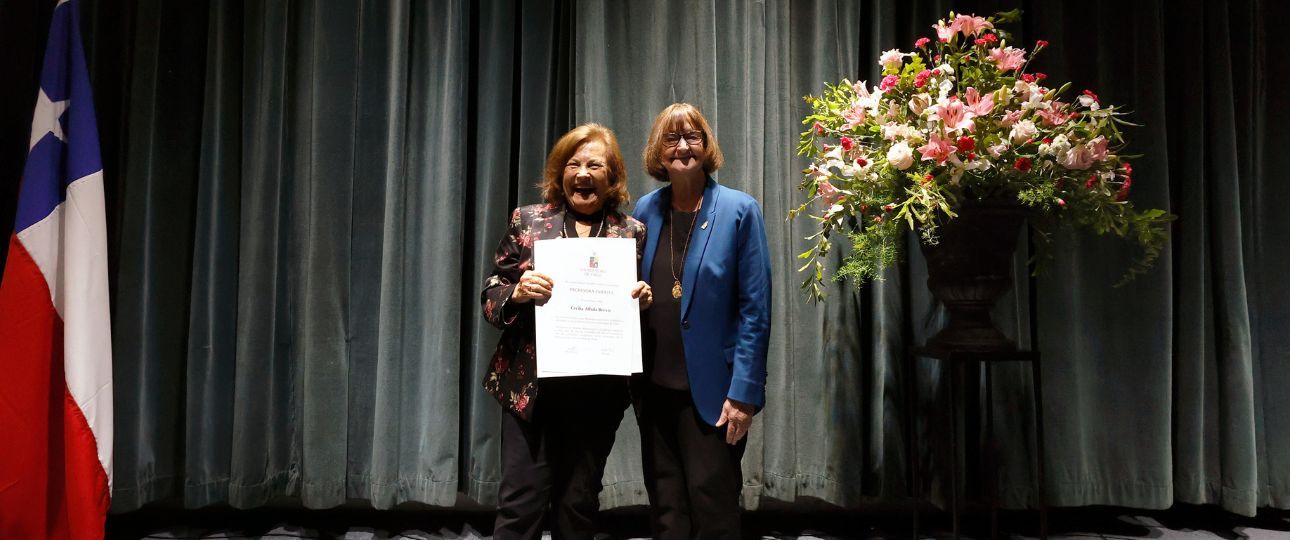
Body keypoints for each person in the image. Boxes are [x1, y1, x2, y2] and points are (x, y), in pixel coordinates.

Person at [481, 123, 653, 540]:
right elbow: (490, 295)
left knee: (577, 507)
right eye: (573, 164)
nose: (582, 173)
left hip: (597, 396)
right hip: (532, 394)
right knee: (521, 505)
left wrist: (642, 300)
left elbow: (635, 314)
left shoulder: (630, 231)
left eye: (594, 165)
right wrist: (517, 292)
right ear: (561, 173)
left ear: (611, 177)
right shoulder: (528, 221)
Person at [632, 103, 772, 539]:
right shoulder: (644, 210)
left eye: (693, 136)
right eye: (672, 138)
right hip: (653, 389)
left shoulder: (738, 210)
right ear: (658, 150)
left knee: (713, 507)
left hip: (715, 394)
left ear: (707, 145)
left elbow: (756, 310)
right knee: (666, 509)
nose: (683, 146)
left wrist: (745, 395)